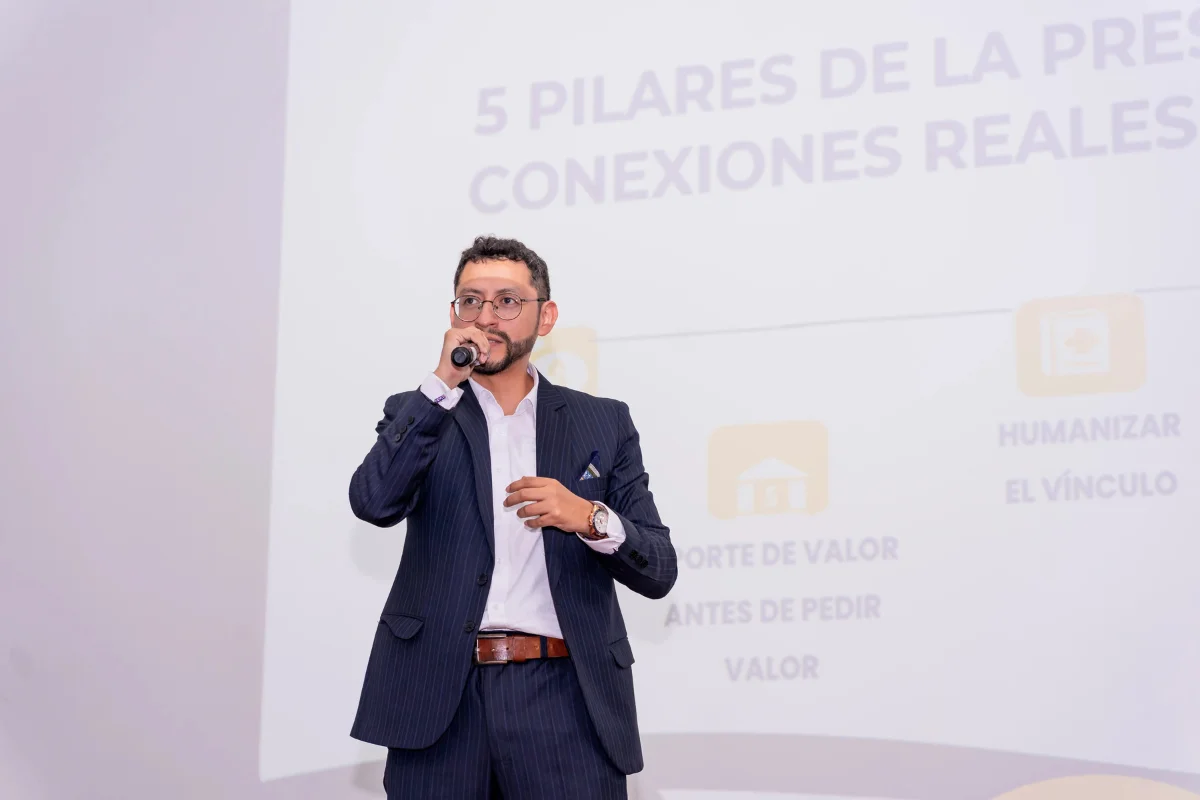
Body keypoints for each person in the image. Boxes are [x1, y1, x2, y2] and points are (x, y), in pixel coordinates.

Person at [347, 236, 678, 798]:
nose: (485, 317)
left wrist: (588, 516)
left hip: (565, 698)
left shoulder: (602, 422)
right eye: (470, 301)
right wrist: (440, 385)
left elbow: (659, 568)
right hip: (438, 699)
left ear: (545, 317)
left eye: (506, 301)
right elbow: (373, 502)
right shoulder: (420, 410)